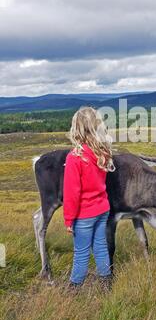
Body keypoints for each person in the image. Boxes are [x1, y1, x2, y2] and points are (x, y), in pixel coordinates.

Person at [63, 106, 115, 290]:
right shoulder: (102, 152)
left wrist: (69, 219)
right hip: (102, 209)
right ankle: (106, 284)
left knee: (81, 253)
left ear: (76, 127)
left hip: (84, 215)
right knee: (100, 246)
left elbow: (72, 194)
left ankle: (74, 289)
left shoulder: (74, 157)